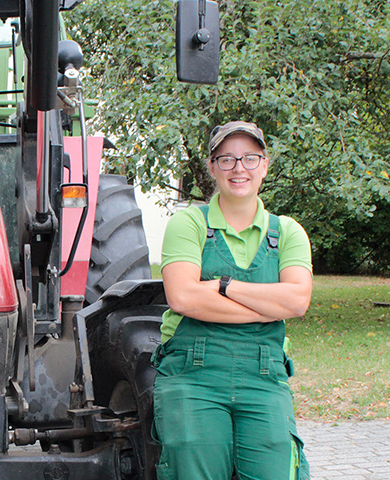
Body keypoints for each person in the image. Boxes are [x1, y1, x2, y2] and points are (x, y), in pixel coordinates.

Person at [151, 121, 313, 480]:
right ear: (212, 168)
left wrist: (222, 285)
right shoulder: (188, 224)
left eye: (250, 158)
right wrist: (266, 307)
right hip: (193, 376)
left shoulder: (288, 232)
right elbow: (182, 297)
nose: (239, 168)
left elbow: (297, 301)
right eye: (226, 159)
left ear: (265, 165)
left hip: (264, 375)